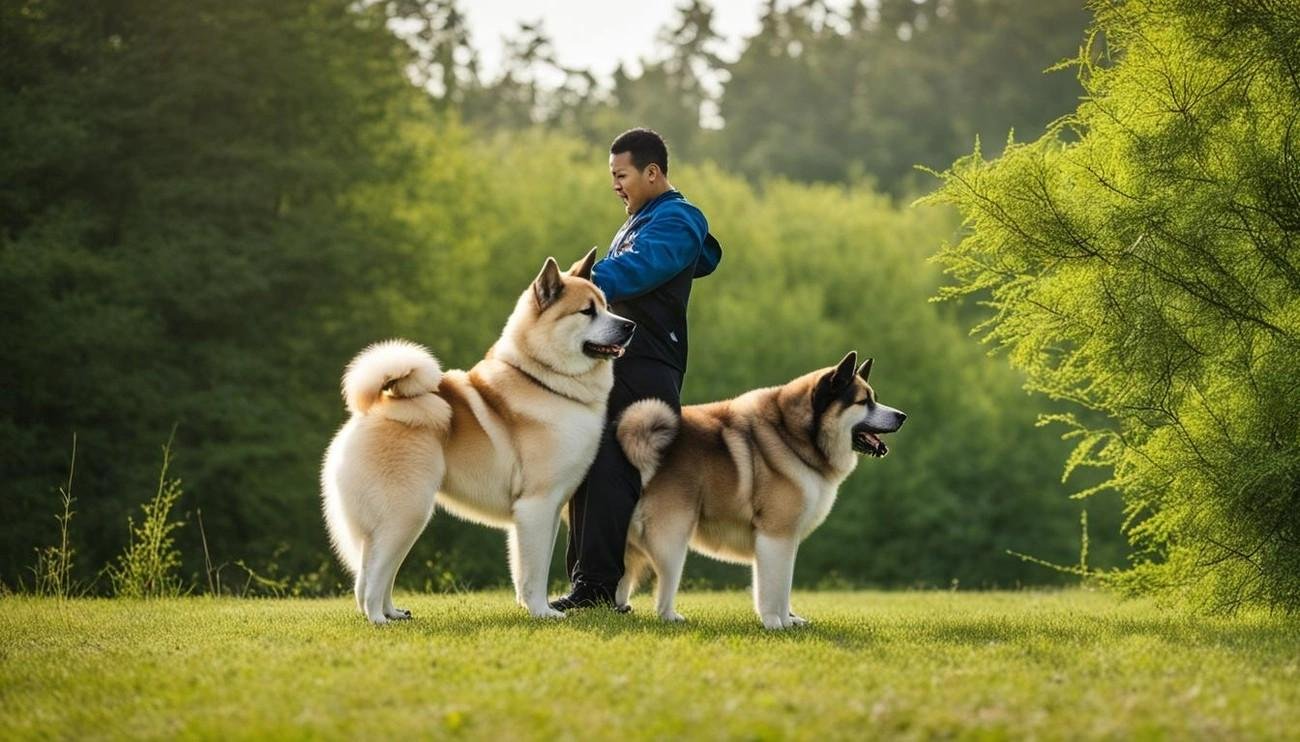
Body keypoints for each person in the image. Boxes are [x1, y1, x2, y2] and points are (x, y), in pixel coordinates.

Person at [549, 127, 722, 611]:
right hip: (620, 363)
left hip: (645, 368)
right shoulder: (644, 219)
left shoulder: (677, 219)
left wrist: (572, 284)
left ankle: (599, 591)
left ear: (652, 173)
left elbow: (639, 269)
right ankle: (590, 586)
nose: (615, 185)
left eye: (621, 174)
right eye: (612, 176)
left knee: (609, 471)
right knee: (590, 468)